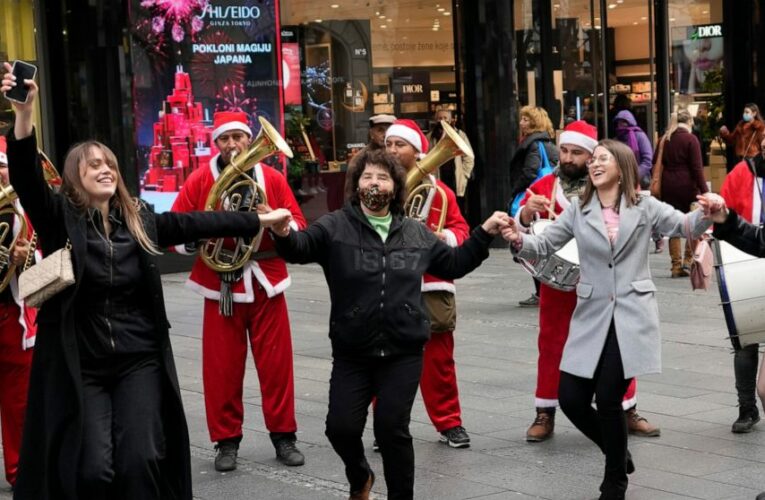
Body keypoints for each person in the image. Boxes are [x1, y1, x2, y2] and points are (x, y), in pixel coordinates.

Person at [1, 66, 293, 500]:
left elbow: (193, 221)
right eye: (93, 164)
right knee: (94, 469)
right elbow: (26, 177)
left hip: (140, 362)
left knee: (142, 462)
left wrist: (257, 219)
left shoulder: (139, 220)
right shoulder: (60, 219)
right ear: (75, 176)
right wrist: (24, 116)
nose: (104, 169)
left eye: (109, 164)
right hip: (84, 366)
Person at [272, 147, 509, 500]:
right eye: (367, 176)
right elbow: (299, 247)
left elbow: (455, 263)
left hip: (403, 350)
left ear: (395, 187)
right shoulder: (335, 226)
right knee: (341, 429)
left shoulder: (414, 231)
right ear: (355, 184)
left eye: (382, 177)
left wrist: (485, 232)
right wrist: (282, 231)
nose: (374, 183)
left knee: (391, 430)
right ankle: (360, 476)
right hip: (353, 350)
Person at [502, 139, 720, 500]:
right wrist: (517, 237)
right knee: (571, 399)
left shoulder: (644, 205)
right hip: (591, 314)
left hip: (633, 315)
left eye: (603, 159)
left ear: (622, 166)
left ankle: (614, 481)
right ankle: (617, 452)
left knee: (608, 399)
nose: (594, 164)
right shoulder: (578, 208)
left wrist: (710, 209)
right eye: (594, 160)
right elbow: (542, 246)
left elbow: (685, 225)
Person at [171, 111, 307, 471]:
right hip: (221, 285)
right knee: (221, 369)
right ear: (215, 144)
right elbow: (175, 228)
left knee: (277, 367)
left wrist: (278, 220)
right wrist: (199, 232)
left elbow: (300, 224)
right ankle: (226, 442)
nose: (233, 145)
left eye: (239, 137)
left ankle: (284, 437)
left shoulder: (272, 178)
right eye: (224, 139)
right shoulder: (201, 179)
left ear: (250, 140)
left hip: (265, 281)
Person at [517, 121, 659, 442]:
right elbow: (520, 213)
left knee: (621, 341)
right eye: (564, 151)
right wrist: (526, 214)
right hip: (559, 282)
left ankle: (627, 407)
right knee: (552, 343)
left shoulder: (612, 187)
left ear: (592, 155)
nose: (567, 158)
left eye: (576, 153)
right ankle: (545, 410)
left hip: (607, 282)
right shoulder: (544, 185)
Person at [385, 118, 473, 449]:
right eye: (389, 144)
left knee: (439, 363)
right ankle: (388, 425)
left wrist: (441, 237)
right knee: (387, 360)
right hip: (390, 284)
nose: (393, 150)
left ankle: (449, 423)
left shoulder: (441, 192)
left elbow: (461, 230)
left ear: (418, 151)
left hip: (432, 285)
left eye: (400, 145)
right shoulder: (375, 185)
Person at [719, 134, 765, 434]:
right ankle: (746, 407)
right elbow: (724, 215)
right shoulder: (743, 172)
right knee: (746, 339)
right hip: (745, 261)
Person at [0, 136, 37, 488]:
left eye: (2, 167)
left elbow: (52, 257)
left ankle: (20, 470)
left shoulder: (27, 209)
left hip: (12, 313)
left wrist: (25, 258)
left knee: (18, 401)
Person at [509, 106, 559, 307]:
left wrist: (516, 189)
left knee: (531, 242)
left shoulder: (532, 144)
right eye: (521, 118)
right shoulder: (548, 143)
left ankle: (541, 291)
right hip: (545, 198)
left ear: (535, 122)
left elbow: (530, 171)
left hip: (533, 197)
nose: (521, 123)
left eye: (526, 119)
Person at [655, 110, 708, 278]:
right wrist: (706, 192)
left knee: (673, 224)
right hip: (688, 187)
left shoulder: (665, 139)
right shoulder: (691, 139)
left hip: (668, 186)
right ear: (690, 121)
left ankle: (675, 267)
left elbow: (655, 162)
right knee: (692, 224)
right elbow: (697, 169)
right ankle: (688, 261)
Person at [426, 108, 475, 213]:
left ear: (451, 119)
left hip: (454, 181)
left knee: (457, 211)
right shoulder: (429, 137)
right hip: (438, 181)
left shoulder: (460, 135)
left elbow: (469, 157)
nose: (442, 121)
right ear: (435, 119)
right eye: (439, 118)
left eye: (445, 118)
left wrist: (464, 175)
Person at [613, 109, 653, 186]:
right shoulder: (616, 139)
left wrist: (634, 176)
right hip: (620, 181)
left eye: (624, 122)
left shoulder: (640, 136)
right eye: (619, 122)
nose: (621, 124)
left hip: (640, 180)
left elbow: (647, 160)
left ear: (630, 122)